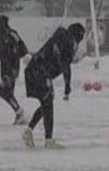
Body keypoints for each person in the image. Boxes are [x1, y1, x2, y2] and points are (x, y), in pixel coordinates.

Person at [22, 22, 85, 150]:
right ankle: (48, 139)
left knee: (46, 103)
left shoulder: (60, 36)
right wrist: (67, 86)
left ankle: (29, 132)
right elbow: (65, 66)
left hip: (33, 69)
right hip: (41, 72)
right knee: (48, 104)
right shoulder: (68, 42)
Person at [0, 14, 29, 124]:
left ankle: (19, 112)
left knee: (3, 92)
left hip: (7, 70)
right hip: (13, 69)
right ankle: (18, 112)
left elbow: (2, 55)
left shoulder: (4, 37)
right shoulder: (13, 34)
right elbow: (23, 49)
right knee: (7, 92)